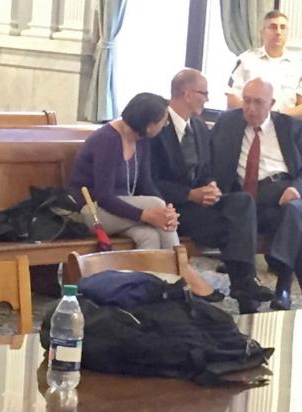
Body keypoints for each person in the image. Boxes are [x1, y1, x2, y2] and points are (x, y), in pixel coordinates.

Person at [68, 92, 222, 301]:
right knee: (154, 206)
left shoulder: (140, 140)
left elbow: (146, 185)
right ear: (149, 124)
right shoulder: (107, 140)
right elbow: (104, 196)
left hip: (121, 213)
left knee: (148, 236)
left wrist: (167, 211)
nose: (165, 126)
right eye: (162, 122)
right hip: (92, 210)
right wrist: (146, 214)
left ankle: (147, 293)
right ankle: (182, 269)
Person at [150, 69, 274, 313]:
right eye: (203, 93)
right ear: (187, 94)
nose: (207, 99)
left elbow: (206, 170)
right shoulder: (158, 125)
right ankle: (244, 290)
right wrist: (190, 195)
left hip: (199, 207)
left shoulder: (198, 125)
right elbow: (151, 182)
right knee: (233, 226)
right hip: (172, 210)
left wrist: (211, 187)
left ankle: (244, 284)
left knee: (242, 203)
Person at [211, 78, 302, 311]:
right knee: (295, 228)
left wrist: (296, 189)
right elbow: (210, 162)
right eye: (247, 101)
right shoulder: (228, 123)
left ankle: (280, 275)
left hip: (291, 192)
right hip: (254, 202)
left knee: (292, 211)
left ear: (271, 103)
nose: (251, 108)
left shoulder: (292, 127)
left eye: (258, 102)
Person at [225, 10, 302, 119]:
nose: (278, 32)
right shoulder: (246, 59)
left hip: (282, 127)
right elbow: (232, 99)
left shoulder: (299, 66)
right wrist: (256, 114)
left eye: (283, 27)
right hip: (248, 125)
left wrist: (274, 117)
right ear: (262, 33)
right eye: (273, 27)